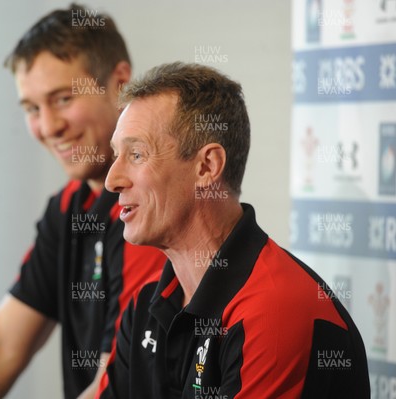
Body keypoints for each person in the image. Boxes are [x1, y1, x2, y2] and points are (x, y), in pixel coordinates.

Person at [97, 62, 370, 398]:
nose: (112, 180)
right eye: (116, 155)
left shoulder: (275, 308)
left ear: (207, 166)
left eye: (136, 155)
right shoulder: (144, 308)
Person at [0, 4, 167, 399]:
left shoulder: (147, 210)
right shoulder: (68, 208)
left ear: (120, 84)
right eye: (31, 108)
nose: (47, 127)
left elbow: (115, 385)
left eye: (62, 99)